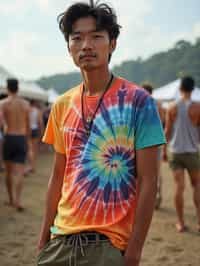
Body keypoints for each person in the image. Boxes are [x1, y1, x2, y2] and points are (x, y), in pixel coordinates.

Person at [37, 2, 166, 266]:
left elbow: (149, 181)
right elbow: (58, 175)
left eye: (96, 36)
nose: (86, 45)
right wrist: (42, 240)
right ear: (69, 48)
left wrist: (134, 252)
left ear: (113, 43)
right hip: (59, 242)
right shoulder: (62, 104)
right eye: (77, 38)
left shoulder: (139, 101)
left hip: (108, 245)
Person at [164, 76, 200, 233]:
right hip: (192, 152)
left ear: (180, 89)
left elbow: (167, 131)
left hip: (176, 151)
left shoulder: (171, 107)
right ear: (193, 89)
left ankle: (180, 222)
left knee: (179, 187)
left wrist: (164, 151)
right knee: (197, 186)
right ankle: (199, 222)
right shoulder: (198, 107)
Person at [0, 79, 30, 211]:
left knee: (8, 172)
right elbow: (28, 125)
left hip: (9, 137)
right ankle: (18, 200)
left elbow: (1, 124)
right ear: (18, 88)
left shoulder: (3, 103)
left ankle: (11, 199)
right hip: (21, 137)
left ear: (7, 88)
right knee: (19, 172)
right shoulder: (25, 104)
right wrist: (27, 141)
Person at [142, 83, 165, 209]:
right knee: (153, 172)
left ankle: (156, 198)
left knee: (153, 173)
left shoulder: (143, 105)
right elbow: (161, 124)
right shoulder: (158, 105)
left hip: (151, 143)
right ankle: (155, 198)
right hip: (153, 142)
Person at [25, 100, 43, 174]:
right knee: (34, 149)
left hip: (27, 129)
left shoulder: (27, 110)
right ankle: (33, 166)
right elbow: (40, 122)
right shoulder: (37, 111)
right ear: (35, 103)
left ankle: (30, 165)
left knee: (29, 148)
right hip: (35, 129)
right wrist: (41, 131)